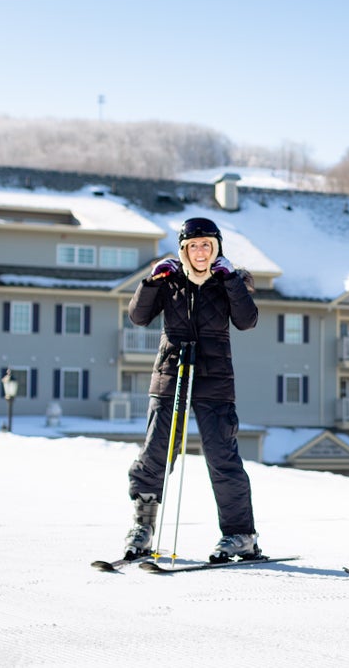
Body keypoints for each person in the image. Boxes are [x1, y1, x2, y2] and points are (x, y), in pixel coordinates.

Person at [124, 217, 260, 563]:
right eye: (193, 245)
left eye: (207, 245)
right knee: (155, 453)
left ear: (216, 248)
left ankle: (240, 535)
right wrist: (152, 280)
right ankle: (142, 527)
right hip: (172, 374)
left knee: (221, 457)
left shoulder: (230, 279)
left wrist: (230, 280)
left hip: (214, 382)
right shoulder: (170, 280)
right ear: (184, 249)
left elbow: (247, 320)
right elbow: (138, 316)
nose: (200, 252)